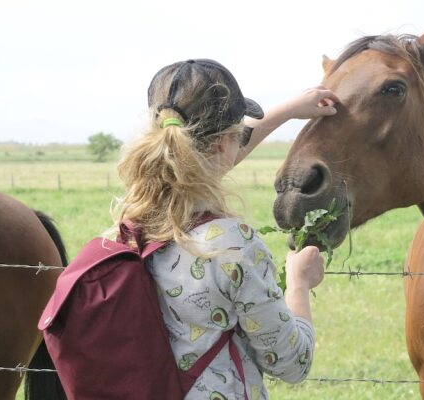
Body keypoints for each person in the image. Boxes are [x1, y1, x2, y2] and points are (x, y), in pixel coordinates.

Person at [113, 59, 339, 399]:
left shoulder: (131, 222)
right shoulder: (233, 246)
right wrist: (299, 282)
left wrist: (290, 110)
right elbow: (292, 362)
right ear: (223, 146)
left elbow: (202, 160)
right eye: (239, 137)